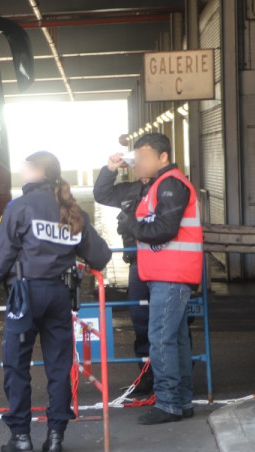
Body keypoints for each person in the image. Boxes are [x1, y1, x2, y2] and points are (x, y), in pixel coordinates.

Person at [0, 151, 112, 452]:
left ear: (36, 172)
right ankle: (55, 438)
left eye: (25, 168)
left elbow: (1, 256)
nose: (21, 172)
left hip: (25, 295)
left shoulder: (19, 208)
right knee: (60, 367)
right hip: (60, 297)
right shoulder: (73, 210)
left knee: (16, 365)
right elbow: (100, 256)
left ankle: (21, 438)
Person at [116, 133, 203, 425]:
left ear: (163, 157)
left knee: (161, 339)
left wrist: (131, 223)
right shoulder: (161, 184)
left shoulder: (170, 184)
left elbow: (164, 228)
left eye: (143, 156)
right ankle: (181, 402)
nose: (138, 163)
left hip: (171, 274)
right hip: (167, 274)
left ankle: (168, 404)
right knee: (175, 340)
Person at [93, 152, 153, 395]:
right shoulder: (132, 190)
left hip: (165, 262)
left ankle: (174, 377)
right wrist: (110, 168)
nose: (139, 165)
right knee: (141, 322)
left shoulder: (171, 187)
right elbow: (102, 194)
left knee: (168, 323)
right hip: (138, 263)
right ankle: (147, 375)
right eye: (137, 160)